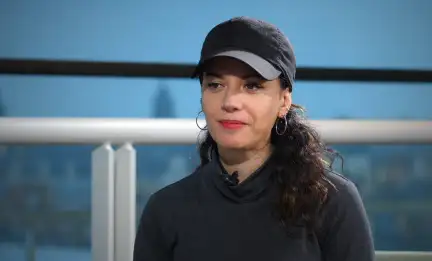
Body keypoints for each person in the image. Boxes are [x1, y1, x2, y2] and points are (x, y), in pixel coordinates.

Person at [133, 16, 375, 261]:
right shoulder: (165, 210)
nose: (229, 102)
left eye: (252, 86)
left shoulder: (332, 201)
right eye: (215, 85)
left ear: (284, 100)